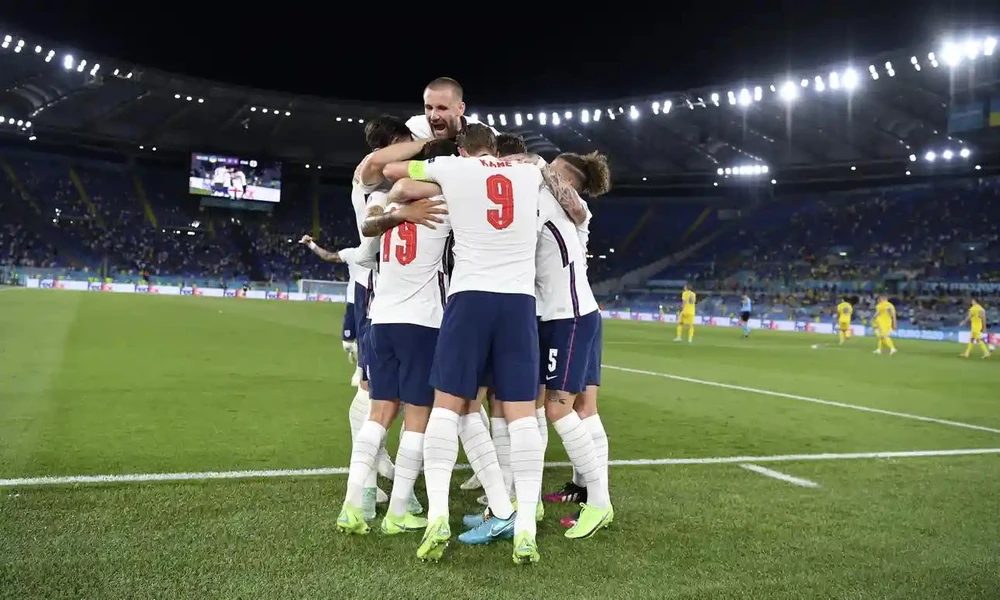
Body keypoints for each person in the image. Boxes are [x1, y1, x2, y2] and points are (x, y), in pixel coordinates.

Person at [382, 123, 545, 565]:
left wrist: (433, 176)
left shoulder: (451, 168)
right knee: (521, 416)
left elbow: (394, 175)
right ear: (494, 148)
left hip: (470, 297)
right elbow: (541, 169)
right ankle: (525, 528)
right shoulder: (528, 171)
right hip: (519, 301)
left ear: (463, 149)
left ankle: (437, 516)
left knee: (447, 406)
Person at [334, 139, 459, 536]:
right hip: (422, 323)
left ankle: (352, 505)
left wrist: (397, 211)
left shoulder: (382, 203)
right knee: (417, 420)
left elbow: (364, 245)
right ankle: (398, 512)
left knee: (378, 415)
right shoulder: (446, 204)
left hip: (381, 321)